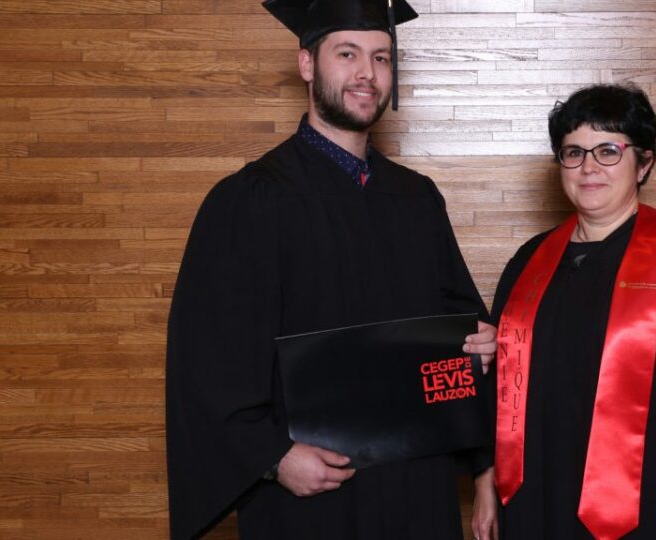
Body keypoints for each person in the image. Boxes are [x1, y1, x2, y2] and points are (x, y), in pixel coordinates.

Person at [165, 0, 497, 538]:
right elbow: (206, 359)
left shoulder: (416, 199)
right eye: (347, 54)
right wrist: (273, 457)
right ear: (307, 64)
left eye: (381, 58)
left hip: (415, 488)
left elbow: (460, 325)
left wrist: (479, 343)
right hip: (311, 498)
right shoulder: (251, 201)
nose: (367, 73)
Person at [471, 84, 656, 540]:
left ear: (644, 163)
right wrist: (486, 480)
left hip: (643, 505)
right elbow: (502, 386)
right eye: (574, 152)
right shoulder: (530, 262)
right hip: (533, 497)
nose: (589, 168)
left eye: (608, 151)